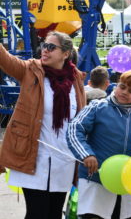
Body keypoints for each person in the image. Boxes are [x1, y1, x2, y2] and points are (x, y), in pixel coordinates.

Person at [0, 31, 86, 219]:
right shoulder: (30, 70)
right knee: (37, 213)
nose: (44, 50)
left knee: (54, 213)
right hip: (33, 156)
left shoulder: (76, 78)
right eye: (44, 46)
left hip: (64, 158)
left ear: (65, 53)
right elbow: (5, 59)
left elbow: (81, 119)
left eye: (51, 47)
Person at [66, 69, 131, 219]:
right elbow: (74, 129)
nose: (125, 92)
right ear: (116, 85)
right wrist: (86, 154)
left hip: (128, 185)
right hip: (96, 180)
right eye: (122, 87)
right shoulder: (96, 107)